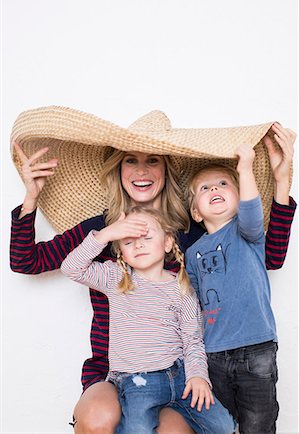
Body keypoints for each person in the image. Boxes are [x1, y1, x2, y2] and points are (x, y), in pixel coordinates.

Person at [10, 120, 296, 434]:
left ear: (166, 169)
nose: (141, 170)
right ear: (118, 169)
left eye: (152, 160)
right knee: (98, 419)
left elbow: (267, 259)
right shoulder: (103, 229)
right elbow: (26, 261)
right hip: (115, 368)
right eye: (130, 160)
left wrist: (282, 184)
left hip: (180, 372)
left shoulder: (192, 234)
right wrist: (32, 199)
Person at [60, 206, 235, 433]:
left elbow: (192, 341)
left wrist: (198, 376)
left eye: (147, 237)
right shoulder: (116, 278)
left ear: (168, 243)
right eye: (128, 241)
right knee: (139, 430)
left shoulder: (182, 289)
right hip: (136, 381)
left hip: (180, 375)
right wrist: (106, 234)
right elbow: (71, 268)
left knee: (224, 426)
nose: (138, 245)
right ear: (120, 252)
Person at [185, 141, 296, 434]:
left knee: (259, 424)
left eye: (223, 184)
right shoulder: (192, 252)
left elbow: (250, 207)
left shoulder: (247, 233)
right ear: (196, 213)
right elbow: (196, 302)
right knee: (221, 426)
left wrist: (244, 169)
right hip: (215, 353)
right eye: (204, 189)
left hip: (257, 347)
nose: (214, 190)